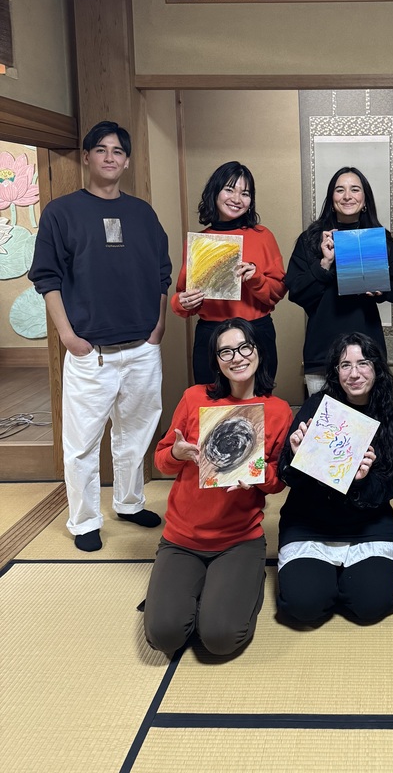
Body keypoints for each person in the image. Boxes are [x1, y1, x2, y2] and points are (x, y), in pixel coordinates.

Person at [28, 120, 171, 553]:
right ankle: (85, 519)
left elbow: (162, 273)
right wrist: (68, 336)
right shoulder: (61, 212)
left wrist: (158, 326)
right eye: (101, 149)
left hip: (142, 348)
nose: (110, 157)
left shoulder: (143, 213)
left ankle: (128, 502)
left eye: (118, 151)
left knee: (137, 434)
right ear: (87, 157)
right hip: (91, 351)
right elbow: (47, 279)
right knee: (82, 443)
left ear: (126, 162)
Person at [143, 318, 292, 656]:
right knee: (164, 636)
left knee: (221, 639)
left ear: (258, 351)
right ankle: (196, 592)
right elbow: (161, 461)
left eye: (244, 347)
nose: (237, 357)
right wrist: (178, 454)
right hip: (182, 538)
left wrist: (258, 478)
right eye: (226, 352)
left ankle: (240, 586)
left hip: (239, 539)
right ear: (216, 360)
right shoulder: (194, 397)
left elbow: (278, 482)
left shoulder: (278, 410)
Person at [276, 332, 393, 625]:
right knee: (304, 606)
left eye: (363, 363)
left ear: (377, 368)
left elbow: (386, 489)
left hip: (366, 526)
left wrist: (359, 480)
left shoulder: (388, 416)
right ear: (336, 371)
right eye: (345, 365)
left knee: (371, 606)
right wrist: (296, 457)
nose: (354, 374)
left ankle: (343, 580)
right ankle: (322, 580)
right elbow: (287, 477)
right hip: (309, 523)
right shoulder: (317, 407)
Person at [286, 166, 393, 396]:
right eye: (340, 190)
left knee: (370, 416)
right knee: (323, 418)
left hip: (367, 350)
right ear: (332, 199)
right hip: (322, 351)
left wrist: (380, 289)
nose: (347, 196)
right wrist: (324, 263)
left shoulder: (378, 238)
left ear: (365, 199)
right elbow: (297, 292)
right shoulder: (311, 239)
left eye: (355, 189)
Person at [171, 161, 286, 384]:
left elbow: (278, 292)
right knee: (210, 400)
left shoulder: (263, 236)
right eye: (229, 190)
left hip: (255, 331)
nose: (237, 199)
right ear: (215, 192)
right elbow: (182, 298)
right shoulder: (200, 241)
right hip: (212, 334)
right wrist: (182, 302)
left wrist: (256, 278)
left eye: (245, 193)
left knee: (258, 398)